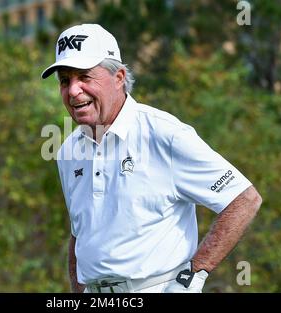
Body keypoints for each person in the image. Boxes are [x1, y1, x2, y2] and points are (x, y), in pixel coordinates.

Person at [41, 24, 262, 293]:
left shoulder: (164, 134)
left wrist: (196, 273)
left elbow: (244, 198)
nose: (73, 90)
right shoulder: (67, 151)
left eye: (85, 77)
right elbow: (80, 234)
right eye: (65, 81)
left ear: (119, 77)